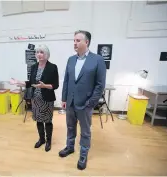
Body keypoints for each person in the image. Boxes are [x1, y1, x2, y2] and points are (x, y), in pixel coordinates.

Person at [59, 30, 106, 170]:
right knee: (70, 127)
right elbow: (67, 80)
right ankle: (70, 147)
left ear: (87, 42)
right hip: (70, 102)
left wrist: (91, 103)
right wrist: (64, 98)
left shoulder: (97, 60)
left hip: (85, 104)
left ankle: (83, 154)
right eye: (74, 40)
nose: (75, 43)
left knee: (85, 131)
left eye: (78, 40)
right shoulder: (70, 60)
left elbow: (100, 85)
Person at [10, 44, 59, 152]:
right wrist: (18, 82)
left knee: (47, 121)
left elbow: (55, 85)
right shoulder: (33, 67)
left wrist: (44, 86)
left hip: (47, 99)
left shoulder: (52, 67)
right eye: (37, 52)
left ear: (46, 54)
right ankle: (41, 139)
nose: (39, 54)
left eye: (42, 52)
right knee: (38, 120)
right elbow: (30, 83)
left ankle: (48, 141)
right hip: (35, 98)